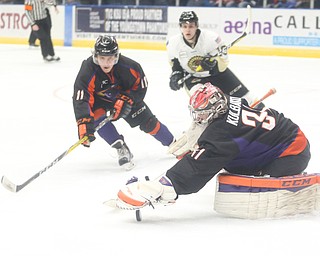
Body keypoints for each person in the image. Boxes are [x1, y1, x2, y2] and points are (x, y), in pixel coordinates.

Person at [115, 82, 311, 210]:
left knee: (225, 161)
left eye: (202, 114)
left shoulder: (223, 133)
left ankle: (279, 175)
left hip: (292, 154)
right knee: (231, 160)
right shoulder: (229, 99)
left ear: (216, 109)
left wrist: (166, 185)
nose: (198, 118)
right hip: (288, 137)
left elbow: (198, 167)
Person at [166, 10, 261, 158]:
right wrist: (176, 74)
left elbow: (224, 63)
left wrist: (213, 64)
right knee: (202, 106)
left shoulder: (211, 39)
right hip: (194, 78)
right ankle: (202, 136)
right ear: (180, 27)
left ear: (196, 26)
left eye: (191, 26)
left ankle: (263, 125)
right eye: (184, 26)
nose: (188, 29)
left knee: (249, 99)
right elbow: (175, 62)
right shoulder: (173, 43)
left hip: (218, 74)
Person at [72, 35, 175, 170]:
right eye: (102, 58)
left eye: (110, 58)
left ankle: (174, 144)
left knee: (149, 123)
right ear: (95, 56)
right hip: (100, 101)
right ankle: (121, 147)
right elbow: (81, 97)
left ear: (116, 56)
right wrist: (83, 122)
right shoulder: (88, 69)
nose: (106, 63)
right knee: (95, 118)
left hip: (125, 98)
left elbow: (141, 86)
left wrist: (128, 99)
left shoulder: (130, 66)